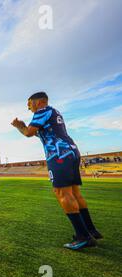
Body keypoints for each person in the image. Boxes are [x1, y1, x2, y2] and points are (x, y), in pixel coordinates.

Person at [11, 92, 102, 250]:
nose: (28, 106)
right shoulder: (54, 112)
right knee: (74, 192)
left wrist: (19, 125)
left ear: (39, 102)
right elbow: (34, 133)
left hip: (59, 154)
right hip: (71, 151)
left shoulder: (42, 111)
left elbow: (28, 133)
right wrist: (24, 128)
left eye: (29, 103)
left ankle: (83, 236)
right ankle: (90, 230)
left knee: (62, 193)